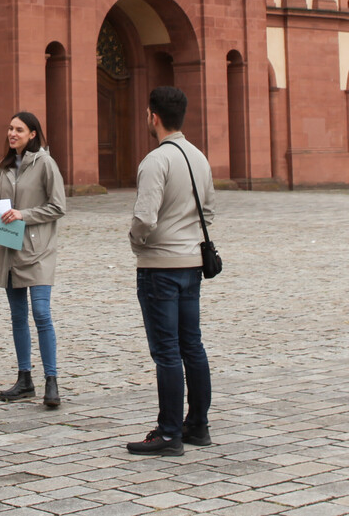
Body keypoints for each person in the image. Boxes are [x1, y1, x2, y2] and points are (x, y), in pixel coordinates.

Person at [124, 86, 215, 457]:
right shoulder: (199, 158)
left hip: (159, 266)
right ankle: (198, 425)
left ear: (153, 116)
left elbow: (144, 217)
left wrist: (137, 242)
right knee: (192, 344)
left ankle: (168, 432)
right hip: (191, 263)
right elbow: (209, 213)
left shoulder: (155, 161)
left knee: (166, 352)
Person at [0, 111, 68, 409]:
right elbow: (2, 204)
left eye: (19, 130)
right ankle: (25, 379)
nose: (12, 134)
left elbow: (58, 206)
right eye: (10, 128)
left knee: (41, 312)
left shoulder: (45, 163)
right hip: (10, 247)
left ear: (33, 134)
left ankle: (52, 380)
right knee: (17, 316)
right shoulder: (5, 165)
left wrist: (25, 215)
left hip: (38, 249)